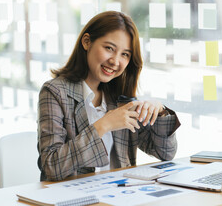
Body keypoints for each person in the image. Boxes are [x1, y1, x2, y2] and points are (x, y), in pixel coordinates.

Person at [37, 11, 180, 181]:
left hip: (119, 196)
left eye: (125, 54)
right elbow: (51, 166)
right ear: (87, 42)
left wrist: (160, 110)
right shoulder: (55, 92)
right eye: (109, 48)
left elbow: (165, 153)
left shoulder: (119, 98)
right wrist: (104, 125)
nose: (115, 61)